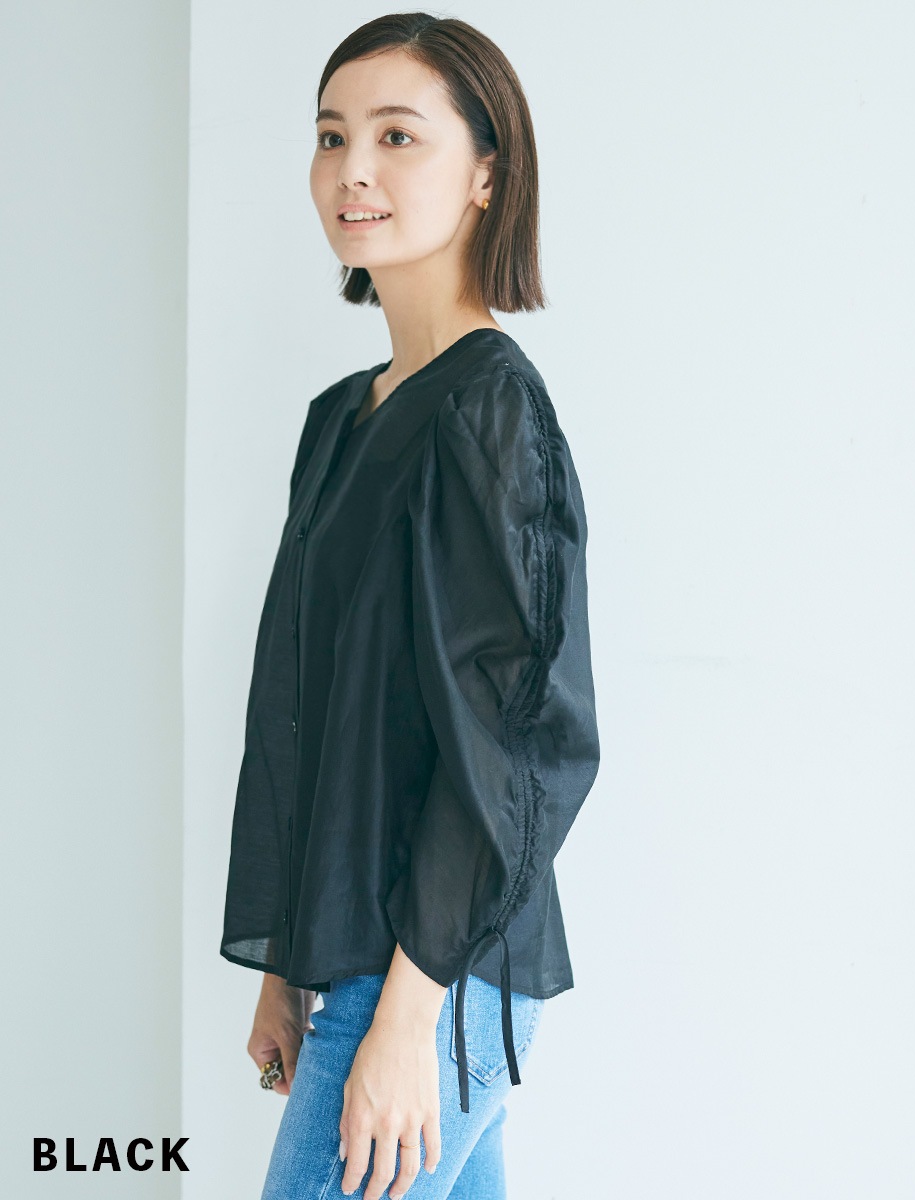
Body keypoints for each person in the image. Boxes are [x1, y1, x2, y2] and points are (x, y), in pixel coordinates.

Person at [219, 13, 601, 1199]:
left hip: (430, 978)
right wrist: (285, 967)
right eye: (331, 136)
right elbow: (305, 708)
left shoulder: (489, 411)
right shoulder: (343, 419)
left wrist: (404, 1020)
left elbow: (521, 745)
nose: (353, 170)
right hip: (357, 967)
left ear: (488, 172)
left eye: (397, 136)